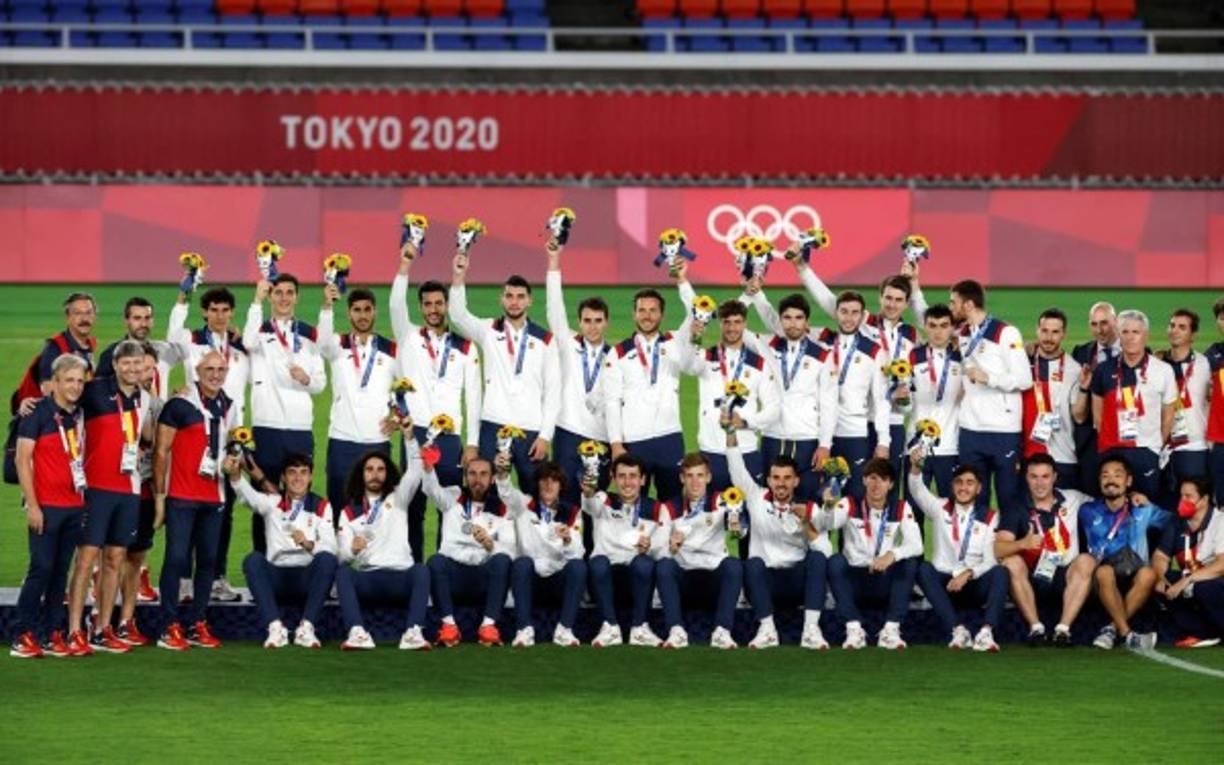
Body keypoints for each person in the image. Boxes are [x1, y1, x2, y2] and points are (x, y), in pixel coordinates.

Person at [390, 242, 482, 563]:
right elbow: (394, 306)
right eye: (427, 304)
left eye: (438, 303)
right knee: (413, 506)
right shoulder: (409, 338)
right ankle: (414, 567)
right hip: (414, 434)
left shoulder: (466, 348)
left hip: (451, 438)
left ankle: (448, 564)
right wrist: (405, 266)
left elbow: (474, 398)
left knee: (450, 507)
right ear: (420, 307)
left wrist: (471, 444)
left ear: (446, 306)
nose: (433, 309)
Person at [450, 251, 560, 496]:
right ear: (502, 300)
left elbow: (553, 391)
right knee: (484, 494)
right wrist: (459, 276)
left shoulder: (545, 340)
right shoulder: (488, 330)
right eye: (509, 296)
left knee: (535, 497)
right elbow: (457, 316)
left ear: (529, 301)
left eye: (520, 297)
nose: (514, 302)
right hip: (493, 424)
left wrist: (545, 436)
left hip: (531, 429)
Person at [67, 339, 152, 654]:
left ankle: (102, 627)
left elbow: (144, 437)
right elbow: (61, 401)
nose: (132, 368)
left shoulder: (144, 398)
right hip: (96, 487)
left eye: (137, 363)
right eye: (126, 363)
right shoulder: (93, 391)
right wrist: (28, 405)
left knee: (115, 559)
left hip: (128, 489)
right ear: (115, 365)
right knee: (86, 560)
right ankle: (75, 629)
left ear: (144, 366)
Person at [168, 286, 250, 603]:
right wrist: (183, 296)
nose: (219, 315)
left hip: (232, 433)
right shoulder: (192, 340)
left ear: (232, 313)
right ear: (205, 312)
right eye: (213, 309)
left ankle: (217, 578)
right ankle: (186, 580)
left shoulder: (242, 347)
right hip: (196, 434)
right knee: (189, 504)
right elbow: (173, 335)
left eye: (225, 310)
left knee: (224, 509)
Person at [152, 350, 238, 651]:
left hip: (214, 495)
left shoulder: (229, 405)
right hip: (181, 495)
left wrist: (232, 462)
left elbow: (232, 445)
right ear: (197, 370)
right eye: (209, 368)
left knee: (208, 562)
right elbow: (161, 451)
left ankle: (197, 621)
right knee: (177, 558)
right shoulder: (179, 404)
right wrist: (160, 498)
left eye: (221, 369)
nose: (215, 374)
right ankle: (168, 625)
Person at [242, 273, 326, 555]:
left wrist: (306, 379)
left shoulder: (310, 335)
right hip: (266, 427)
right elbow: (247, 340)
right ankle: (262, 562)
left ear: (297, 297)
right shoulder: (259, 333)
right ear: (270, 296)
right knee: (264, 501)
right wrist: (256, 299)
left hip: (300, 430)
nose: (284, 298)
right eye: (278, 293)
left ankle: (301, 561)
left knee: (300, 498)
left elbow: (320, 382)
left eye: (290, 292)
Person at [11, 355, 88, 658]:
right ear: (53, 382)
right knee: (40, 568)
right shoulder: (36, 413)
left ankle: (52, 633)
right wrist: (32, 506)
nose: (75, 386)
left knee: (59, 572)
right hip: (45, 506)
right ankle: (23, 633)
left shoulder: (79, 414)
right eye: (69, 380)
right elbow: (21, 459)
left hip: (73, 505)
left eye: (80, 381)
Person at [728, 428, 829, 650]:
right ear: (768, 480)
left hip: (797, 584)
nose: (781, 483)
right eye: (776, 478)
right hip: (766, 584)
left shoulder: (809, 508)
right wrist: (730, 432)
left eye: (787, 478)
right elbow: (736, 468)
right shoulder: (755, 497)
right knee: (752, 564)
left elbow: (826, 553)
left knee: (818, 560)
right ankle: (767, 629)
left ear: (796, 481)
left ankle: (811, 630)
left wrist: (806, 525)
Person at [232, 452, 338, 650]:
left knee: (327, 560)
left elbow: (331, 547)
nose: (298, 478)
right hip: (277, 578)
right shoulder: (273, 503)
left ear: (311, 476)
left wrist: (308, 544)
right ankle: (275, 628)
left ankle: (306, 628)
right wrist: (236, 476)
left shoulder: (322, 506)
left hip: (307, 578)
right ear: (283, 477)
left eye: (304, 472)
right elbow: (248, 496)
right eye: (292, 472)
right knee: (253, 560)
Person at [740, 292, 837, 502]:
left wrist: (825, 445)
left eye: (798, 318)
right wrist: (751, 294)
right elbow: (734, 323)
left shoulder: (822, 355)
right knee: (769, 504)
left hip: (807, 441)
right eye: (787, 318)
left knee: (807, 504)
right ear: (780, 321)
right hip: (772, 436)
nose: (793, 324)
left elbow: (829, 404)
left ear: (807, 322)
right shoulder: (766, 346)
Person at [676, 299, 781, 493]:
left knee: (750, 515)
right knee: (712, 516)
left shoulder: (759, 364)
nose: (732, 328)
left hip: (746, 450)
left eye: (737, 322)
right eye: (727, 322)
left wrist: (746, 422)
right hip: (711, 451)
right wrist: (695, 338)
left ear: (745, 324)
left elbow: (774, 408)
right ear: (720, 323)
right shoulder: (706, 357)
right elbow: (687, 366)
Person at [334, 442, 431, 651]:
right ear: (362, 475)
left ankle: (413, 632)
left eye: (380, 469)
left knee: (421, 570)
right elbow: (342, 556)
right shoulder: (349, 513)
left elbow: (415, 470)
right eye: (369, 470)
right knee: (343, 572)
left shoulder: (399, 497)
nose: (375, 474)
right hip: (369, 580)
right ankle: (357, 633)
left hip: (401, 578)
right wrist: (352, 549)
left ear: (387, 474)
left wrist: (409, 437)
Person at [994, 454, 1095, 647]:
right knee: (1011, 561)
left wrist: (1131, 496)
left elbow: (1105, 504)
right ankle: (1036, 629)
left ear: (1055, 477)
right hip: (1032, 580)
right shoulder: (1016, 507)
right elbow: (998, 549)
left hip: (1065, 577)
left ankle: (1063, 630)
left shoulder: (1074, 498)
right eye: (1034, 477)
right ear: (1026, 478)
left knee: (1086, 560)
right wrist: (1022, 543)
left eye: (1045, 476)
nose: (1040, 483)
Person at [950, 279, 1032, 512]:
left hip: (1003, 431)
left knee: (1008, 498)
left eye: (953, 302)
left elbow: (1024, 379)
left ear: (967, 305)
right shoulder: (962, 333)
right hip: (970, 430)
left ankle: (1010, 547)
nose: (950, 308)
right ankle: (976, 549)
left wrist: (989, 378)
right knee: (975, 502)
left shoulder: (1005, 332)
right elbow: (930, 321)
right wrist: (914, 286)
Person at [317, 285, 398, 523]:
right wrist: (327, 306)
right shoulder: (337, 345)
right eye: (356, 310)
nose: (362, 315)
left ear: (375, 312)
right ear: (349, 313)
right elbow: (321, 342)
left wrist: (397, 414)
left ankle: (376, 557)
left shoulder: (391, 349)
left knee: (378, 509)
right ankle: (338, 558)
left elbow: (406, 387)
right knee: (338, 505)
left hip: (377, 441)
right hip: (342, 439)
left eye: (367, 310)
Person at [907, 462, 1008, 652]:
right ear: (953, 486)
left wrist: (968, 573)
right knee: (923, 569)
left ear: (979, 488)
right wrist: (916, 467)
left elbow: (990, 560)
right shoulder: (940, 507)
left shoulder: (989, 516)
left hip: (974, 584)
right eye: (959, 482)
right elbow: (916, 489)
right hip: (945, 584)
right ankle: (957, 631)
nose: (963, 487)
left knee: (1000, 572)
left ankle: (986, 632)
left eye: (970, 483)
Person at [604, 284, 691, 502]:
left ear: (661, 314)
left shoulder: (675, 342)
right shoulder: (618, 352)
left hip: (669, 438)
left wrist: (681, 281)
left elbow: (696, 312)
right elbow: (612, 401)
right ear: (634, 314)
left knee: (673, 503)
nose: (647, 316)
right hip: (634, 441)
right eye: (642, 310)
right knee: (631, 503)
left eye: (653, 311)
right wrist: (616, 444)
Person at [825, 458, 923, 650]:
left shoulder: (901, 507)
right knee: (836, 561)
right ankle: (853, 629)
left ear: (891, 484)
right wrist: (829, 505)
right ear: (864, 480)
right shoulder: (849, 503)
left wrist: (891, 555)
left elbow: (916, 545)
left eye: (883, 479)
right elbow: (827, 524)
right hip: (855, 583)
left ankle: (891, 630)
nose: (877, 484)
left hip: (883, 580)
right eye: (872, 478)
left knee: (909, 562)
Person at [1080, 310, 1177, 501]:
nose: (1130, 338)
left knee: (1146, 507)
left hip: (1146, 450)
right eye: (1125, 332)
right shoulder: (1104, 369)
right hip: (1111, 450)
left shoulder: (1163, 371)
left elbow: (1168, 415)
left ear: (1145, 335)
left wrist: (1154, 446)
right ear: (1118, 334)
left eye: (1136, 332)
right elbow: (1097, 414)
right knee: (1114, 507)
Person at [544, 240, 612, 507]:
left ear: (606, 322)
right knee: (564, 500)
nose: (592, 327)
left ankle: (595, 550)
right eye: (587, 320)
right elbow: (554, 308)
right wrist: (554, 263)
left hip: (601, 435)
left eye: (598, 321)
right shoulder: (567, 342)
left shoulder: (617, 357)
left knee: (596, 503)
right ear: (579, 322)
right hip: (567, 433)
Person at [654, 453, 744, 650]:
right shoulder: (669, 508)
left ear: (708, 477)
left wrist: (738, 527)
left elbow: (740, 530)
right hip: (684, 581)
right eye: (690, 476)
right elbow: (659, 550)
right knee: (664, 566)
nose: (695, 482)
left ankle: (722, 631)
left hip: (714, 581)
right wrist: (670, 546)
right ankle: (676, 630)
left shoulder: (723, 500)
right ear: (682, 478)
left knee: (734, 565)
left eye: (700, 475)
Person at [425, 454, 515, 647]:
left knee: (502, 561)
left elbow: (511, 550)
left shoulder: (502, 508)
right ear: (466, 477)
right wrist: (428, 468)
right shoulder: (453, 497)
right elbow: (432, 490)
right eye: (472, 474)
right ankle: (449, 626)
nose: (477, 479)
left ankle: (488, 626)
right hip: (454, 576)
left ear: (492, 479)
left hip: (484, 577)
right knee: (435, 562)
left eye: (483, 474)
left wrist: (492, 545)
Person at [1078, 456, 1169, 650]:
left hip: (1135, 574)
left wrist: (1146, 502)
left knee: (1149, 574)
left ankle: (1111, 629)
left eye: (1118, 475)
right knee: (1104, 572)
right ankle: (1127, 634)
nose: (1111, 480)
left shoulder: (1142, 509)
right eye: (1105, 475)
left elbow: (1173, 523)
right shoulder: (1087, 510)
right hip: (1101, 578)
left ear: (1128, 481)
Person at [497, 459, 586, 648]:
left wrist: (568, 540)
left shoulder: (572, 512)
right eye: (544, 480)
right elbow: (507, 493)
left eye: (554, 480)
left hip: (558, 583)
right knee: (522, 563)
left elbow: (578, 552)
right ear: (537, 483)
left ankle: (565, 629)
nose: (548, 484)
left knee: (578, 566)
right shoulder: (523, 505)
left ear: (561, 486)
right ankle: (524, 630)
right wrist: (503, 474)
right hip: (531, 582)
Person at [581, 452, 665, 648]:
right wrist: (588, 492)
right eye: (622, 476)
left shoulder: (656, 508)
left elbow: (663, 551)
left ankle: (640, 628)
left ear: (643, 480)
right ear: (613, 478)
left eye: (633, 476)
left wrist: (650, 547)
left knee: (645, 563)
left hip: (640, 582)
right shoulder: (603, 500)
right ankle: (609, 627)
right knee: (598, 562)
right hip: (604, 581)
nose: (627, 483)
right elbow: (589, 504)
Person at [817, 290, 889, 500]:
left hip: (855, 434)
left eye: (854, 313)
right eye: (844, 312)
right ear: (836, 313)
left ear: (862, 315)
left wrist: (883, 441)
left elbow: (881, 399)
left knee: (855, 497)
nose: (849, 318)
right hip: (821, 434)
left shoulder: (874, 351)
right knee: (824, 497)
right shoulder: (822, 343)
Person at [116, 345, 164, 646]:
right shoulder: (109, 400)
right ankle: (98, 618)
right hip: (114, 488)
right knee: (107, 557)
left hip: (143, 489)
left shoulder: (159, 406)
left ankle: (126, 621)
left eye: (148, 369)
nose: (142, 374)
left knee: (135, 557)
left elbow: (158, 447)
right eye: (137, 367)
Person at [1153, 477, 1224, 648]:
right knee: (1160, 584)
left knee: (1204, 587)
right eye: (1181, 496)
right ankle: (1203, 633)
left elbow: (1222, 565)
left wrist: (1188, 580)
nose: (1182, 501)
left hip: (1215, 579)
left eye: (1188, 496)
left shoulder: (1220, 521)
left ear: (1204, 499)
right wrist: (1161, 577)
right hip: (1193, 575)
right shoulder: (1177, 522)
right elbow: (1160, 556)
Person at [1022, 308, 1084, 490]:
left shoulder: (1074, 370)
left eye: (1055, 332)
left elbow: (1079, 415)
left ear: (1064, 334)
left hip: (1062, 455)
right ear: (1037, 331)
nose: (1049, 337)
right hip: (1027, 454)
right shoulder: (1022, 362)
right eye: (1044, 331)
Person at [906, 303, 964, 497]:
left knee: (950, 511)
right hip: (915, 447)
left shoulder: (963, 355)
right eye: (932, 325)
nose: (938, 331)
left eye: (944, 325)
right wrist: (902, 399)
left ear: (952, 328)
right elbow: (903, 405)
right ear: (924, 326)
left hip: (950, 446)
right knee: (913, 512)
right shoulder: (913, 355)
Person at [1159, 309, 1210, 505]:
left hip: (1194, 447)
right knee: (1167, 506)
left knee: (1192, 505)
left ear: (1193, 335)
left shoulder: (1206, 364)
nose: (1175, 331)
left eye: (1182, 327)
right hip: (1165, 448)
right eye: (1172, 325)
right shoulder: (1157, 365)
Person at [1071, 302, 1121, 494]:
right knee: (1090, 491)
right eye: (1094, 324)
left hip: (1123, 435)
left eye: (1105, 323)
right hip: (1090, 439)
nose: (1100, 330)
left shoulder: (1136, 351)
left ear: (1115, 321)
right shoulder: (1080, 353)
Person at [95, 296, 180, 399]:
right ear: (126, 322)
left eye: (147, 318)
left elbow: (194, 353)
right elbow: (98, 393)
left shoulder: (162, 349)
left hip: (160, 413)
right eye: (137, 318)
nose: (143, 324)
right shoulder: (111, 354)